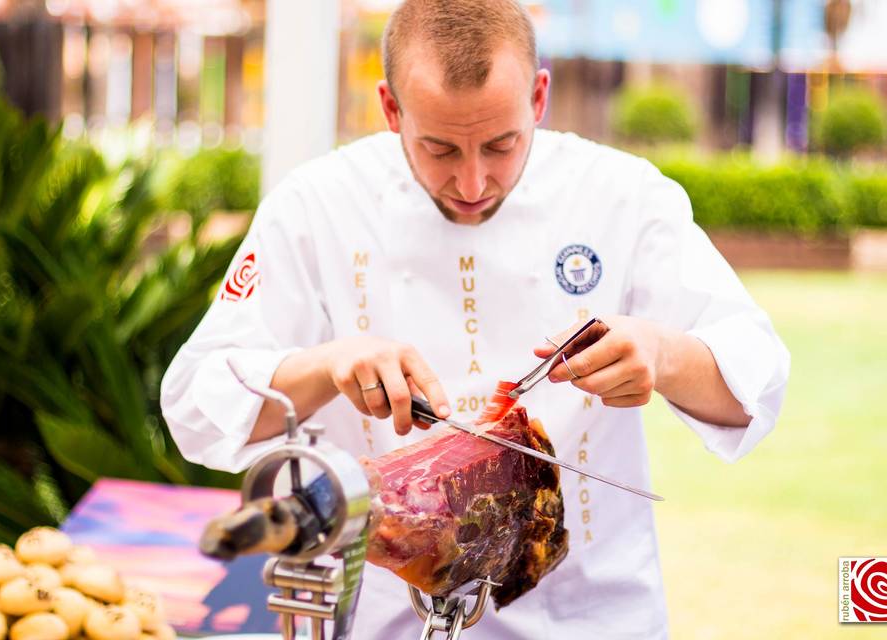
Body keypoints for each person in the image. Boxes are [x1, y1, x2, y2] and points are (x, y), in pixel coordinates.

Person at [161, 0, 791, 637]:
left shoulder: (625, 196)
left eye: (501, 144)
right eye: (439, 148)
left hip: (589, 616)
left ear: (539, 98)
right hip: (383, 618)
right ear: (390, 109)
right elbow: (194, 405)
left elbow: (756, 387)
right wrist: (325, 364)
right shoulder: (316, 205)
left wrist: (662, 354)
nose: (471, 181)